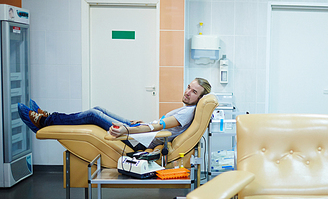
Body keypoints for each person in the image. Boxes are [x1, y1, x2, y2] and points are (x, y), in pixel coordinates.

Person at [18, 78, 211, 150]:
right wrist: (141, 123)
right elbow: (160, 123)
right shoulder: (188, 109)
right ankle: (50, 117)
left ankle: (44, 121)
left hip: (141, 140)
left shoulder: (188, 112)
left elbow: (160, 128)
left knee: (93, 114)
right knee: (99, 109)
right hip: (142, 132)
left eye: (194, 92)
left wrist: (128, 130)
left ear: (200, 97)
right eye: (188, 87)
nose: (187, 92)